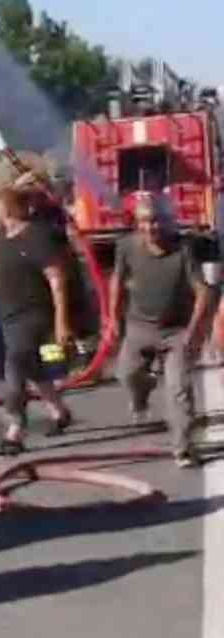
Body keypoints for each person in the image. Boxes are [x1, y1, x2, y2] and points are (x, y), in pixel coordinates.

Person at [110, 194, 213, 466]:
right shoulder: (127, 247)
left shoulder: (184, 250)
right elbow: (117, 282)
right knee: (127, 375)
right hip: (139, 326)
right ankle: (141, 397)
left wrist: (193, 330)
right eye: (144, 221)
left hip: (176, 331)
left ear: (167, 222)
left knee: (179, 389)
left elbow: (202, 292)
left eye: (155, 221)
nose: (150, 227)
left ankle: (183, 447)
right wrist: (112, 319)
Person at [0, 184, 75, 456]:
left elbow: (57, 280)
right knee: (34, 369)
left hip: (34, 315)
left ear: (10, 207)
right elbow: (3, 258)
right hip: (10, 315)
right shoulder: (3, 235)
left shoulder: (37, 237)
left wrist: (62, 322)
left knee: (15, 366)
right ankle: (59, 411)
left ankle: (14, 430)